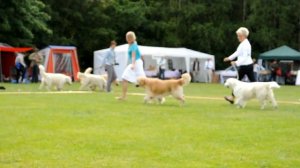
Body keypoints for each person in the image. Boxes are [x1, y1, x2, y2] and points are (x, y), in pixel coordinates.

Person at [223, 27, 256, 104]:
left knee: (236, 82)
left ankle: (232, 97)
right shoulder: (243, 44)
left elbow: (244, 57)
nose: (238, 37)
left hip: (246, 66)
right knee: (254, 82)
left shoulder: (246, 45)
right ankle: (264, 93)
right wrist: (229, 58)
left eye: (239, 36)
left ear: (244, 36)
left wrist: (236, 62)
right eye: (238, 35)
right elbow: (237, 53)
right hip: (247, 65)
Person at [117, 31, 146, 100]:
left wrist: (133, 64)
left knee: (144, 82)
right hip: (136, 62)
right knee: (125, 78)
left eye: (127, 37)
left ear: (129, 38)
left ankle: (155, 94)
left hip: (136, 63)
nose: (126, 39)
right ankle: (123, 97)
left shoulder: (133, 45)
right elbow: (137, 53)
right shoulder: (133, 44)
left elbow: (133, 55)